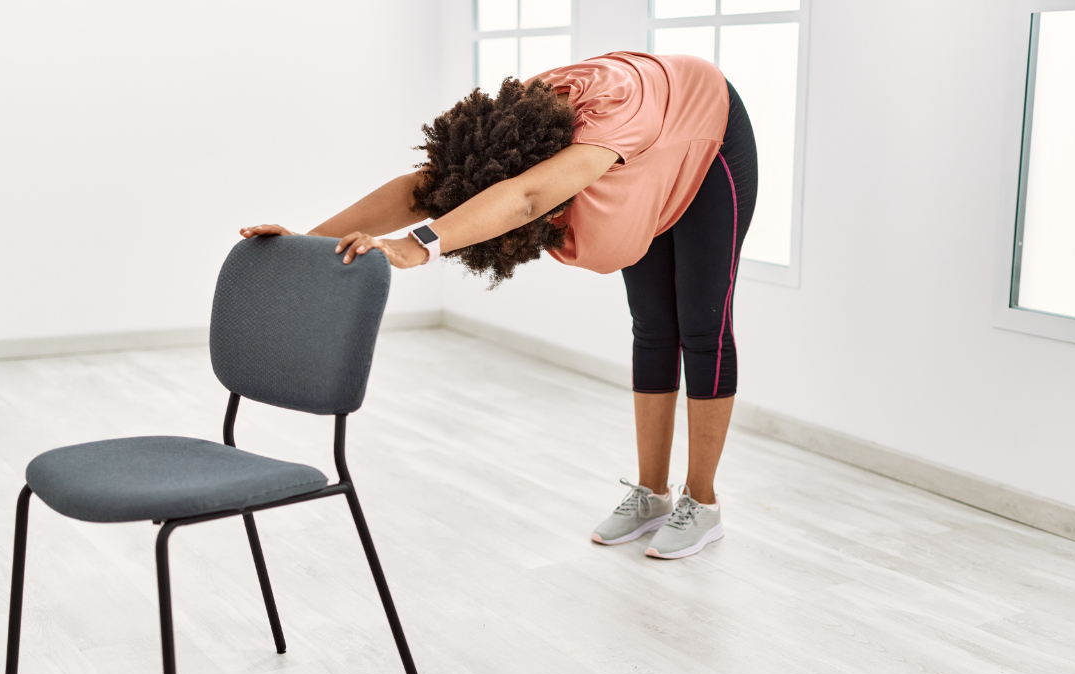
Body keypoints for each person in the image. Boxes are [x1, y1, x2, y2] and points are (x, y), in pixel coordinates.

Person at [240, 52, 757, 560]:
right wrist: (305, 244)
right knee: (652, 327)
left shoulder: (611, 124)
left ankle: (702, 502)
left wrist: (416, 246)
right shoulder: (509, 129)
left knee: (702, 324)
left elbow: (529, 198)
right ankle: (652, 495)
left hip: (707, 138)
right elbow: (425, 190)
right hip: (647, 150)